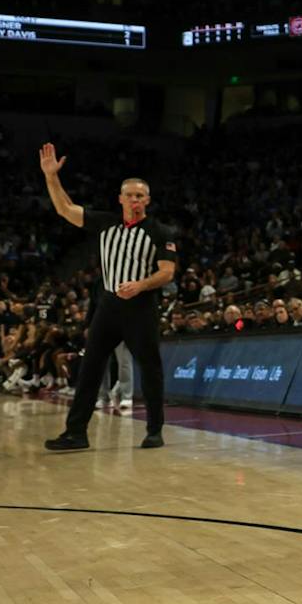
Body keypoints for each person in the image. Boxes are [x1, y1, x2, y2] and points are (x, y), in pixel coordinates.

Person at [38, 144, 177, 451]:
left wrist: (140, 285)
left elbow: (167, 272)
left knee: (150, 368)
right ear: (121, 199)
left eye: (141, 195)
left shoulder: (161, 232)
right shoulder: (105, 223)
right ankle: (76, 433)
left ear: (148, 200)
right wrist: (51, 177)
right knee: (90, 368)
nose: (135, 199)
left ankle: (154, 430)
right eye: (130, 194)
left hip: (141, 308)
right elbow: (65, 209)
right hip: (109, 307)